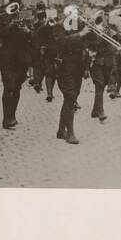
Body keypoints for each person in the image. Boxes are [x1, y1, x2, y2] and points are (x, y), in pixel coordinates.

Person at [53, 11, 88, 144]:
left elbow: (91, 42)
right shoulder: (59, 26)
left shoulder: (79, 25)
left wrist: (93, 30)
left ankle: (61, 131)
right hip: (64, 66)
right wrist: (81, 34)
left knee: (72, 97)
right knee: (70, 96)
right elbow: (61, 42)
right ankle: (70, 133)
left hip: (78, 66)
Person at [0, 1, 31, 130]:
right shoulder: (1, 18)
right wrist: (10, 25)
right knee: (8, 86)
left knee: (17, 88)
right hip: (7, 58)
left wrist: (27, 31)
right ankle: (6, 119)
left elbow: (33, 35)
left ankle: (12, 116)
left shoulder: (25, 17)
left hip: (22, 58)